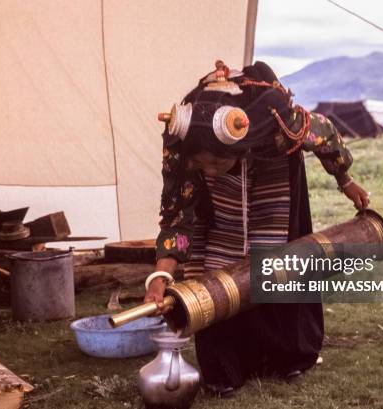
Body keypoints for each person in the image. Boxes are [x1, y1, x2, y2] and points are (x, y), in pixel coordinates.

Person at [144, 61, 370, 397]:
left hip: (271, 177)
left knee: (276, 263)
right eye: (202, 163)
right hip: (220, 214)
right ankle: (227, 368)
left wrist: (345, 180)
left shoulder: (278, 125)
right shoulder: (186, 150)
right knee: (218, 274)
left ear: (239, 146)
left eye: (217, 162)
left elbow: (324, 134)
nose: (211, 170)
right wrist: (161, 276)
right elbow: (177, 217)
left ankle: (286, 357)